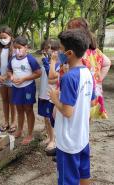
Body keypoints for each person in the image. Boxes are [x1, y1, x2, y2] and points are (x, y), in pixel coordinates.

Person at [49, 29, 96, 185]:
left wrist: (55, 99)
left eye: (61, 50)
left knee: (67, 180)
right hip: (82, 137)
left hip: (68, 142)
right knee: (84, 174)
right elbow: (90, 102)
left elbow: (68, 112)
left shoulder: (69, 78)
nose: (59, 53)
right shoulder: (88, 73)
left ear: (69, 53)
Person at [67, 17, 111, 119]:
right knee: (85, 121)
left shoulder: (76, 52)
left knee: (76, 120)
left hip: (78, 92)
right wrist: (98, 80)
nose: (67, 30)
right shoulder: (95, 51)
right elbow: (107, 63)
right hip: (90, 92)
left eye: (69, 28)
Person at [7, 36, 41, 145]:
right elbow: (9, 70)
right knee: (19, 109)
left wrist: (24, 79)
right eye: (15, 48)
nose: (17, 50)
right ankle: (20, 130)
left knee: (28, 109)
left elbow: (38, 73)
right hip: (16, 88)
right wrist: (11, 77)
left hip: (28, 88)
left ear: (26, 47)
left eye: (19, 47)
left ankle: (30, 134)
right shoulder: (12, 59)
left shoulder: (30, 59)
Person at [38, 39, 60, 152]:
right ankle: (49, 137)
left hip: (51, 95)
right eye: (47, 48)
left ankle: (53, 140)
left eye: (53, 49)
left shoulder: (57, 63)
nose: (49, 51)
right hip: (43, 93)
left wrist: (48, 61)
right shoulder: (45, 60)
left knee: (50, 118)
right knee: (45, 118)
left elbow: (50, 75)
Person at [0, 25, 16, 133]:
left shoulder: (15, 50)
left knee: (12, 101)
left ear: (10, 36)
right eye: (0, 37)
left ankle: (13, 122)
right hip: (1, 79)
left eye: (5, 37)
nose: (2, 39)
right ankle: (6, 121)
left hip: (11, 79)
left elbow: (15, 66)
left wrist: (7, 76)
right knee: (4, 100)